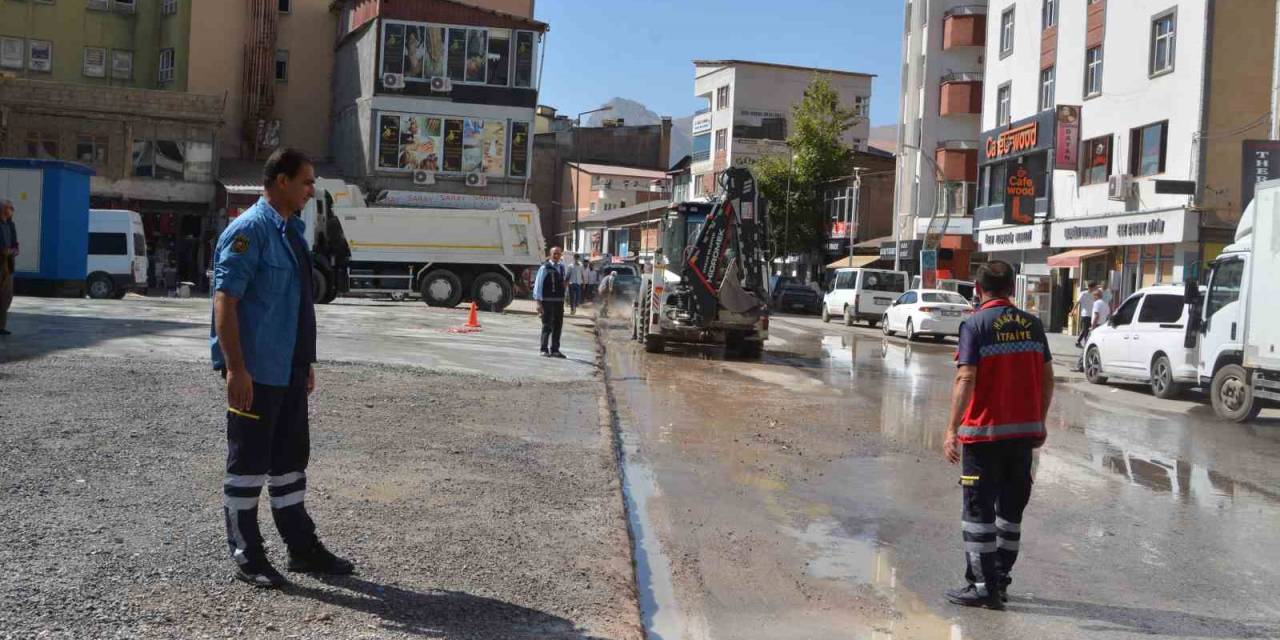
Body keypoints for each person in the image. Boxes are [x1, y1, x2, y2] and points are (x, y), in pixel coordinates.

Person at [210, 148, 354, 588]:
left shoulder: (291, 232)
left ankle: (300, 547)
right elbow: (225, 302)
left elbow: (296, 306)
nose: (312, 191)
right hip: (255, 372)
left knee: (290, 461)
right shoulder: (248, 232)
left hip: (288, 369)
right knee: (249, 462)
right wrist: (236, 368)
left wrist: (303, 361)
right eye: (307, 182)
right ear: (281, 181)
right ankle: (247, 552)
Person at [943, 260, 1055, 610]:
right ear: (1011, 288)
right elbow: (1048, 378)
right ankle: (1000, 581)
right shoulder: (1033, 326)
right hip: (1023, 437)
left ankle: (982, 587)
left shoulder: (975, 325)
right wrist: (1040, 420)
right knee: (1010, 512)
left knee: (978, 513)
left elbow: (966, 379)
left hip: (983, 437)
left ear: (978, 290)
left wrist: (951, 429)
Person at [533, 246, 567, 358]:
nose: (557, 256)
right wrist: (538, 303)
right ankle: (544, 349)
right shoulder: (544, 268)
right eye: (555, 254)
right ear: (550, 255)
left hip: (559, 302)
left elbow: (562, 284)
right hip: (547, 302)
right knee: (547, 325)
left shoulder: (562, 268)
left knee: (558, 325)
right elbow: (538, 285)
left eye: (559, 254)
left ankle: (555, 350)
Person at [0, 198, 18, 336]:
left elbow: (15, 244)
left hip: (8, 264)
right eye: (9, 207)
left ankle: (1, 326)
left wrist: (14, 250)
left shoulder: (11, 225)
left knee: (7, 296)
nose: (12, 210)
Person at [1074, 282, 1096, 347]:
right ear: (1090, 287)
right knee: (1086, 331)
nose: (1095, 289)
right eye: (1094, 288)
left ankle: (1078, 341)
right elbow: (1078, 302)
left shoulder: (1094, 295)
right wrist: (1073, 310)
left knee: (1086, 329)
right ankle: (1086, 345)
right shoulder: (1083, 294)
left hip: (1092, 315)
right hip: (1085, 315)